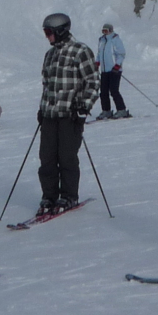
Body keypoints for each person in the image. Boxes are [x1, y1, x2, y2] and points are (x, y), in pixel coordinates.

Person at [37, 13, 100, 215]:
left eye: (49, 32)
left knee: (67, 158)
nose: (47, 36)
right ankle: (49, 196)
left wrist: (84, 106)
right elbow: (47, 85)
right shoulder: (50, 55)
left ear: (61, 31)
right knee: (46, 158)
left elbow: (93, 81)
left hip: (69, 116)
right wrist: (42, 108)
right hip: (49, 115)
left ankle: (69, 195)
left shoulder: (80, 51)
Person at [95, 23, 130, 120]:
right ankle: (106, 110)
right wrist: (97, 62)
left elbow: (121, 54)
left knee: (114, 90)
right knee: (103, 91)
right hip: (104, 70)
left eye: (106, 31)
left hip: (114, 70)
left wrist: (117, 65)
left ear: (110, 30)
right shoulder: (101, 40)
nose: (104, 33)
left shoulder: (115, 39)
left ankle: (121, 109)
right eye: (103, 31)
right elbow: (99, 53)